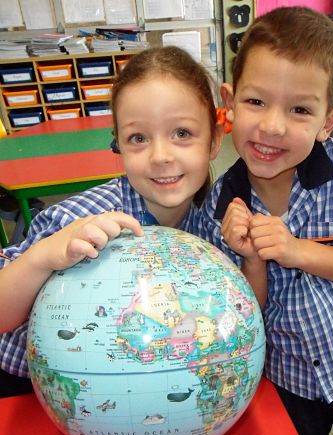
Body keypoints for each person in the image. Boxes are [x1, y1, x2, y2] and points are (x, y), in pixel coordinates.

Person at [195, 7, 333, 435]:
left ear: (328, 121)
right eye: (256, 101)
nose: (272, 127)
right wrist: (252, 260)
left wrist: (293, 250)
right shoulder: (221, 206)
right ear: (229, 103)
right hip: (287, 375)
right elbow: (246, 310)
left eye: (300, 110)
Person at [0, 45, 223, 397]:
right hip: (27, 387)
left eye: (182, 133)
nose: (161, 156)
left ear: (214, 141)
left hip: (124, 391)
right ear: (118, 145)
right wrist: (42, 257)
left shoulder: (207, 226)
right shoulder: (78, 220)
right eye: (138, 138)